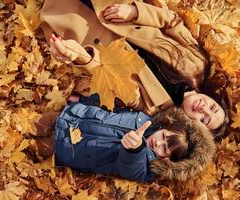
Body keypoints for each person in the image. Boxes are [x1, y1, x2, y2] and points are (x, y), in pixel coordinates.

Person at [40, 0, 228, 135]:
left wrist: (79, 57)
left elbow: (110, 79)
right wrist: (135, 12)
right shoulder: (197, 63)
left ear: (195, 128)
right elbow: (172, 22)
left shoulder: (153, 109)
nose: (204, 108)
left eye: (204, 119)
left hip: (81, 26)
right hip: (114, 8)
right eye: (213, 106)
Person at [30, 102, 216, 182]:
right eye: (163, 138)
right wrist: (82, 102)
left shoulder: (146, 168)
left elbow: (129, 166)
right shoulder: (144, 119)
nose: (158, 144)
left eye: (164, 149)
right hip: (68, 117)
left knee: (24, 148)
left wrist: (135, 149)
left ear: (168, 159)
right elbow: (112, 109)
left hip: (64, 147)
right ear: (164, 128)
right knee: (24, 125)